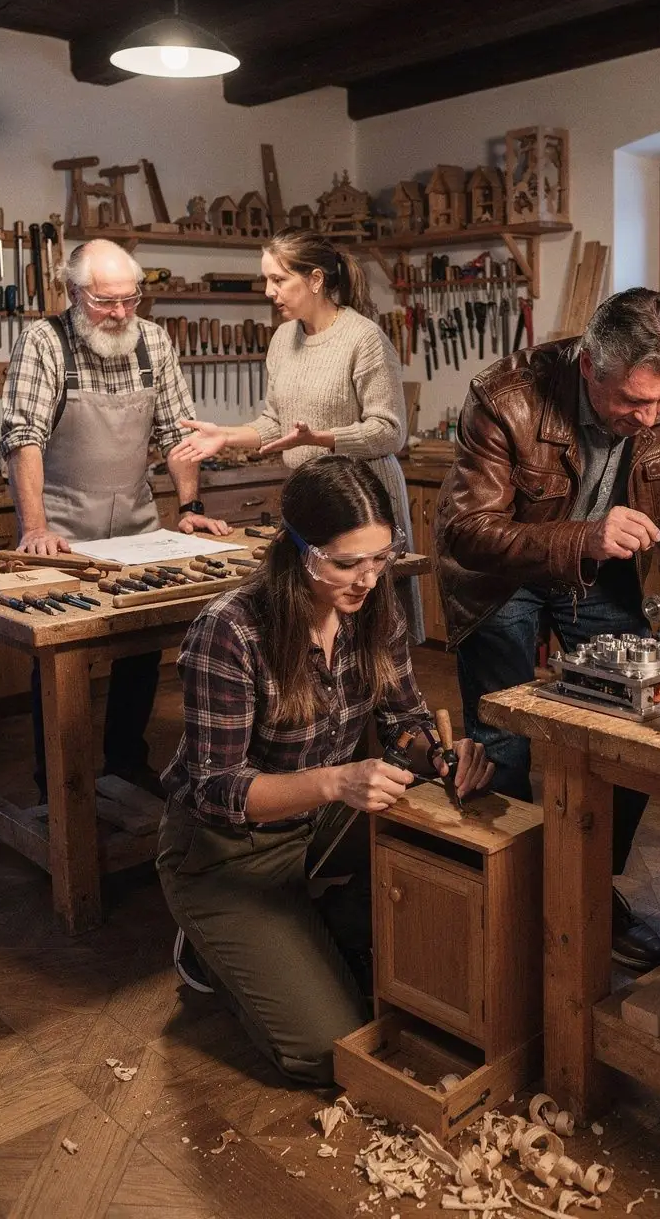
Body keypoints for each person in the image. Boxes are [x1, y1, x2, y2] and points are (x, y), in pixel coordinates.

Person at [435, 287, 660, 972]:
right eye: (632, 402)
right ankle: (514, 908)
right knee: (505, 746)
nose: (649, 418)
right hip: (503, 577)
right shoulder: (506, 396)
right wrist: (583, 534)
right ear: (589, 365)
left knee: (636, 729)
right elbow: (466, 530)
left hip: (599, 573)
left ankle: (586, 890)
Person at [157, 454, 492, 1085]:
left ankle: (312, 926)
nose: (367, 579)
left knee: (450, 863)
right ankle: (210, 950)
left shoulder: (373, 608)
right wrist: (337, 781)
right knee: (325, 1052)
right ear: (299, 551)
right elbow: (215, 789)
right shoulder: (231, 630)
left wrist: (442, 756)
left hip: (321, 827)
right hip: (229, 850)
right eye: (346, 563)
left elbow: (404, 719)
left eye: (380, 558)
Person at [0, 239, 231, 799]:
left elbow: (178, 432)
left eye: (131, 300)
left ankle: (126, 761)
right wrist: (35, 527)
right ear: (73, 292)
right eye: (106, 302)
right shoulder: (44, 342)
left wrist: (190, 507)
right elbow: (23, 437)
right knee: (61, 655)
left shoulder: (152, 340)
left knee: (142, 644)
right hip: (62, 526)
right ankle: (57, 786)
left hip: (135, 519)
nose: (121, 313)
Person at [169, 227, 424, 643]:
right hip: (313, 501)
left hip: (365, 504)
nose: (269, 291)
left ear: (315, 279)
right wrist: (224, 435)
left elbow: (390, 432)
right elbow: (275, 422)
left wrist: (320, 439)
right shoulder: (283, 338)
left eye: (279, 279)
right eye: (266, 279)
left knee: (371, 636)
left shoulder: (364, 339)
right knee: (313, 633)